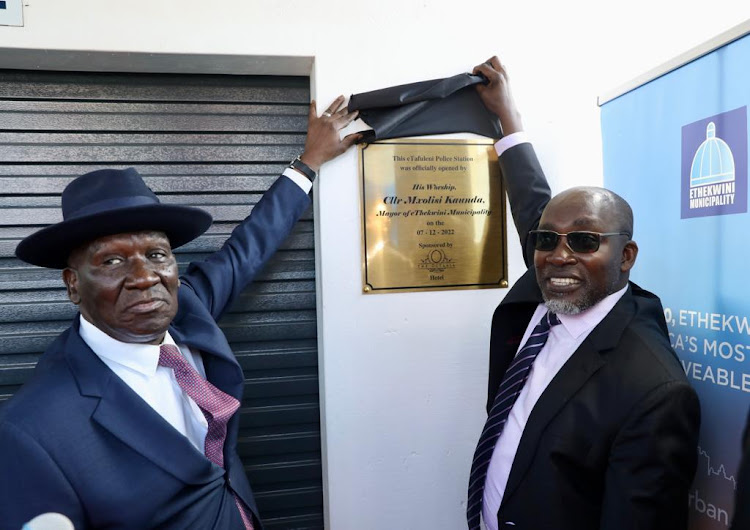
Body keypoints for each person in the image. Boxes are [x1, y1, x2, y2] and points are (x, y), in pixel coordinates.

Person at [0, 97, 359, 529]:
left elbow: (247, 249)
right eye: (112, 262)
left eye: (156, 254)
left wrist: (309, 163)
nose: (144, 276)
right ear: (73, 284)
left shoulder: (187, 309)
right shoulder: (33, 428)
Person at [466, 56, 701, 530]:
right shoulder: (556, 277)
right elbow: (534, 201)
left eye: (585, 241)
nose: (559, 255)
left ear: (626, 256)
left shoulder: (654, 391)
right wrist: (508, 118)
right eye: (546, 240)